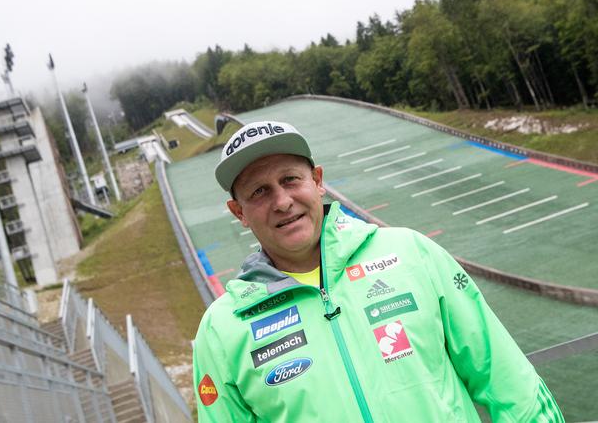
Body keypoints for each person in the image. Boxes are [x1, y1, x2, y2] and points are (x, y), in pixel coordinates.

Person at [192, 120, 564, 422]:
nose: (282, 201)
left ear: (318, 181)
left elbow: (508, 381)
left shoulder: (409, 252)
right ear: (238, 212)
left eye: (291, 179)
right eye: (259, 192)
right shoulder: (223, 329)